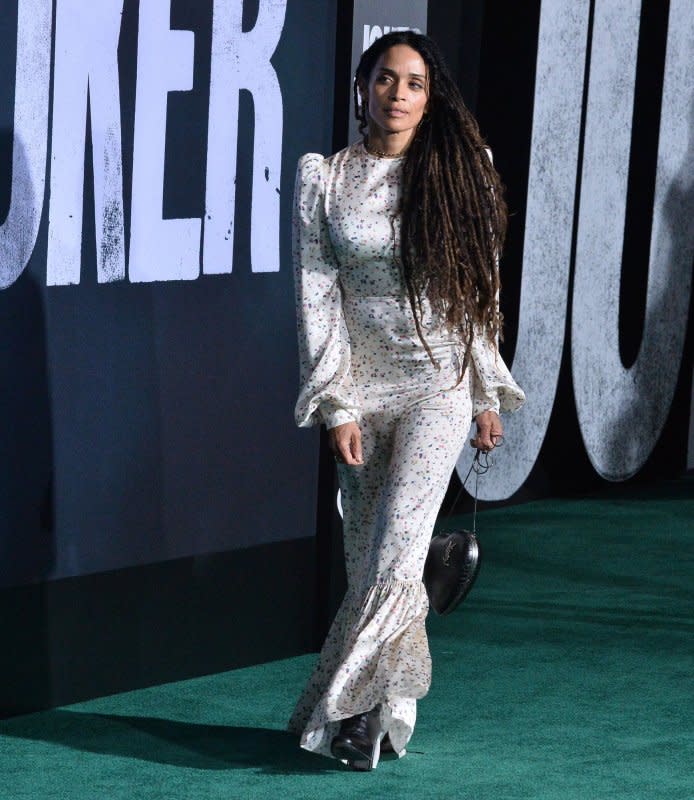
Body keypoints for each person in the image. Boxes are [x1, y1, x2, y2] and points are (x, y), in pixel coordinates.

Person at [287, 31, 525, 770]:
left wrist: (485, 389)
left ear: (431, 96)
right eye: (385, 79)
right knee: (373, 565)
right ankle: (389, 711)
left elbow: (477, 291)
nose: (398, 94)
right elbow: (316, 298)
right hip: (363, 387)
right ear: (362, 88)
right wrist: (337, 405)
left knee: (390, 556)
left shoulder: (461, 172)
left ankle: (352, 717)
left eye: (415, 83)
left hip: (437, 383)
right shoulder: (323, 180)